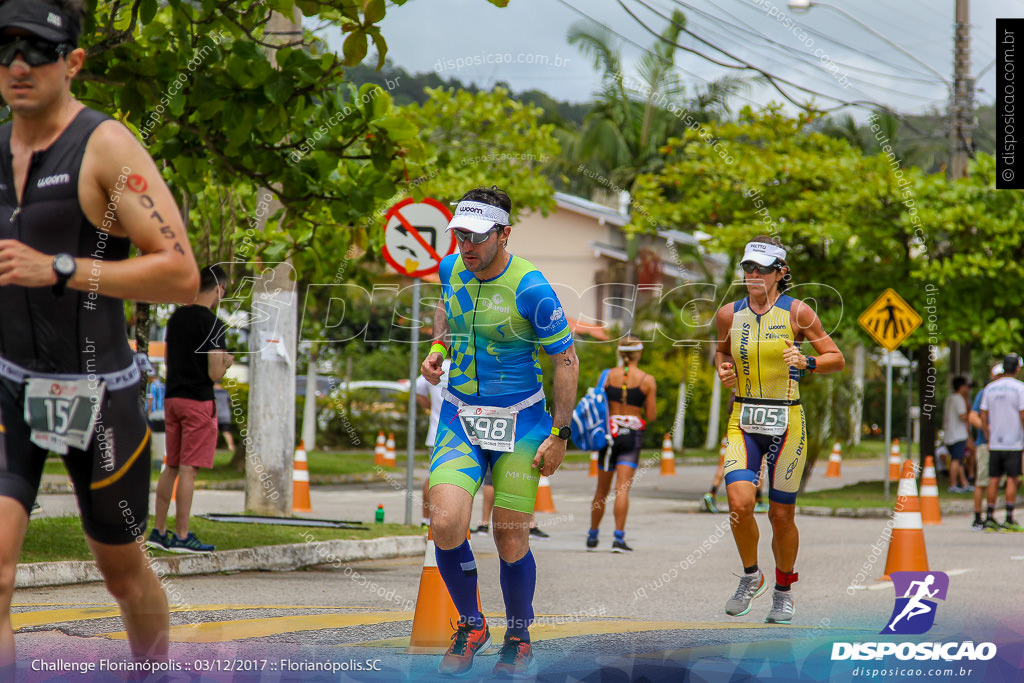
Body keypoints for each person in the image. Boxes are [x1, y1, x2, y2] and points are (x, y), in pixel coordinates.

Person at [0, 0, 199, 668]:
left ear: (73, 62)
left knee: (122, 572)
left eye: (36, 51)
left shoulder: (104, 146)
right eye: (5, 50)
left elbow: (179, 273)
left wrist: (58, 268)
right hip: (9, 388)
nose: (17, 65)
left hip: (100, 393)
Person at [421, 186, 578, 676]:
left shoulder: (532, 287)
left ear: (504, 233)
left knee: (510, 537)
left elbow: (567, 361)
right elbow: (446, 315)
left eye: (475, 237)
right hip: (461, 415)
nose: (465, 246)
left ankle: (518, 633)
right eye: (459, 235)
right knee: (444, 521)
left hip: (523, 421)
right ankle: (472, 624)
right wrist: (438, 350)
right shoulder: (450, 270)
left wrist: (561, 433)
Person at [715, 236, 844, 625]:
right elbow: (721, 352)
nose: (753, 275)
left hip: (787, 422)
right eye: (747, 268)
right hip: (743, 419)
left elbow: (835, 359)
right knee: (739, 504)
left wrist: (806, 361)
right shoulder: (727, 315)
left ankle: (784, 592)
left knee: (781, 515)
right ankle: (752, 575)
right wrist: (722, 368)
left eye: (762, 269)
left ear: (780, 273)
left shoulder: (798, 312)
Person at [148, 265, 232, 553]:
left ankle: (159, 531)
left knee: (170, 466)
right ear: (219, 288)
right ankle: (182, 535)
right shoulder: (214, 324)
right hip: (198, 402)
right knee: (188, 471)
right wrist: (228, 361)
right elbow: (214, 374)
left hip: (173, 400)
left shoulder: (176, 318)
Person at [587, 335, 656, 552]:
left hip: (609, 435)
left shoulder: (607, 376)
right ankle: (618, 538)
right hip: (631, 437)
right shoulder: (647, 380)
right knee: (622, 489)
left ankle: (592, 536)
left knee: (601, 489)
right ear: (639, 353)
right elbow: (651, 415)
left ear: (619, 353)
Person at [979, 353, 1024, 533]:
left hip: (995, 442)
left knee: (993, 479)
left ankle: (989, 517)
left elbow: (983, 413)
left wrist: (987, 433)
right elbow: (1022, 414)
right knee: (1012, 479)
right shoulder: (1020, 388)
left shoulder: (990, 388)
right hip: (1014, 442)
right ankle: (1009, 517)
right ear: (1017, 369)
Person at [968, 364, 1003, 530]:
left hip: (1003, 444)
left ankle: (990, 515)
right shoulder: (986, 392)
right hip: (985, 443)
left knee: (996, 480)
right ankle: (977, 517)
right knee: (982, 480)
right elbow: (972, 416)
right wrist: (987, 429)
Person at [415, 358, 450, 526]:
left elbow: (417, 390)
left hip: (436, 433)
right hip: (462, 434)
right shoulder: (466, 367)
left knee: (433, 477)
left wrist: (431, 407)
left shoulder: (436, 368)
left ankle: (426, 519)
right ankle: (453, 521)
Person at [942, 377, 973, 493]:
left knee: (959, 460)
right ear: (961, 387)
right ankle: (953, 484)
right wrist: (971, 414)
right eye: (966, 386)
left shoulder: (950, 398)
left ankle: (964, 483)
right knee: (956, 460)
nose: (967, 389)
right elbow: (962, 416)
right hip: (958, 435)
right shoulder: (959, 399)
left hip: (950, 434)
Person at [213, 383, 235, 452]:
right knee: (226, 432)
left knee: (214, 432)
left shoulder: (213, 392)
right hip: (225, 415)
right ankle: (231, 447)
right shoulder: (225, 392)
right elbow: (230, 403)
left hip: (215, 415)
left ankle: (212, 446)